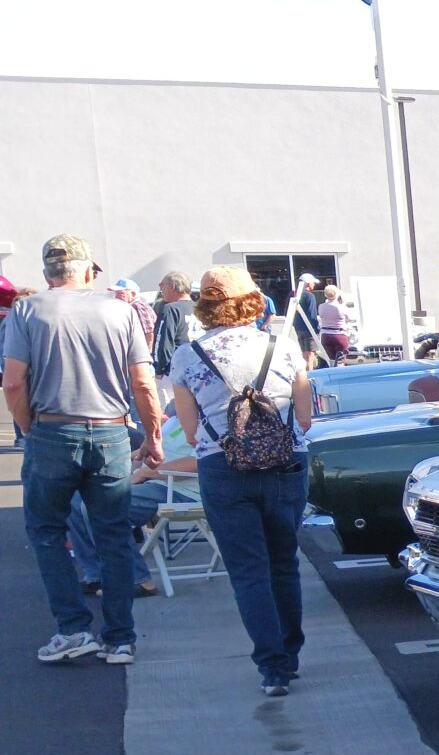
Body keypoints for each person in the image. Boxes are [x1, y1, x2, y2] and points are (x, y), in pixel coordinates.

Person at [1, 233, 162, 664]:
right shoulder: (120, 310)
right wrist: (152, 435)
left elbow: (13, 382)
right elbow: (143, 382)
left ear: (48, 273)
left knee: (47, 531)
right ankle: (120, 638)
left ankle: (73, 630)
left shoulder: (27, 310)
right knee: (113, 533)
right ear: (88, 270)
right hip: (110, 431)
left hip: (52, 428)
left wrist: (28, 427)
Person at [169, 266, 313, 695]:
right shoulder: (282, 346)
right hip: (286, 462)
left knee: (249, 570)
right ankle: (290, 652)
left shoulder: (187, 356)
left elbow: (190, 432)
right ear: (252, 300)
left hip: (223, 467)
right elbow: (305, 417)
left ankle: (272, 667)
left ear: (205, 305)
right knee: (283, 561)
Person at [150, 270, 199, 380]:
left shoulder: (170, 309)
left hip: (174, 369)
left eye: (162, 285)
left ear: (172, 286)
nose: (161, 289)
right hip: (197, 366)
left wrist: (159, 369)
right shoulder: (198, 308)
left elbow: (163, 341)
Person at [317, 284, 351, 364]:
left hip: (326, 335)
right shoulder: (341, 307)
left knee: (330, 361)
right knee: (341, 361)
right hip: (340, 335)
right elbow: (349, 319)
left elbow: (321, 316)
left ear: (325, 295)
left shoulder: (321, 306)